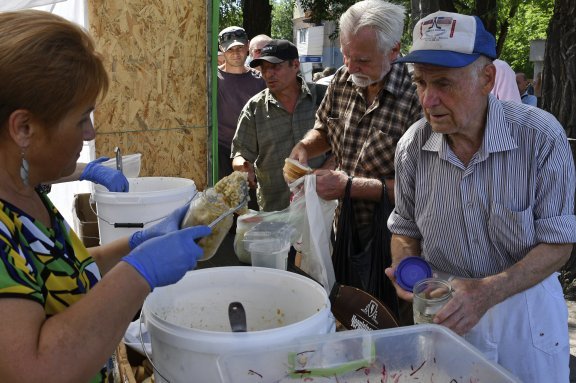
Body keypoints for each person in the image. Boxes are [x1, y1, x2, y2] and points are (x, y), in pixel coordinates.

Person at [0, 10, 211, 382]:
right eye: (82, 118)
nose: (88, 134)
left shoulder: (26, 192)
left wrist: (134, 244)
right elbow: (34, 369)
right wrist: (137, 274)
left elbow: (63, 271)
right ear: (24, 127)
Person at [388, 11, 576, 382]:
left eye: (443, 83)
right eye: (420, 83)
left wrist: (487, 292)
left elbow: (559, 244)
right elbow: (404, 230)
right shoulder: (412, 145)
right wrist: (408, 271)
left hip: (523, 314)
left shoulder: (538, 137)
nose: (429, 99)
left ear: (487, 78)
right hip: (444, 311)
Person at [288, 0, 422, 292]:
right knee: (346, 312)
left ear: (394, 50)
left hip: (395, 241)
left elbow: (423, 190)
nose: (350, 67)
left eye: (362, 60)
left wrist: (349, 186)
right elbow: (324, 129)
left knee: (386, 323)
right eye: (347, 55)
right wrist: (304, 148)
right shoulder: (342, 79)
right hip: (345, 228)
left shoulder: (418, 94)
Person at [231, 39, 328, 211]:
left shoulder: (322, 98)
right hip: (275, 209)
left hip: (323, 205)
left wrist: (323, 174)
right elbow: (240, 153)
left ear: (296, 65)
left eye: (275, 67)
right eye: (264, 68)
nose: (268, 74)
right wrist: (243, 167)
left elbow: (344, 145)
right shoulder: (254, 108)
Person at [217, 26, 266, 181]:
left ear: (248, 46)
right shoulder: (213, 79)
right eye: (230, 49)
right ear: (221, 49)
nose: (236, 53)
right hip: (221, 153)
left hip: (252, 153)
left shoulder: (261, 80)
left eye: (240, 47)